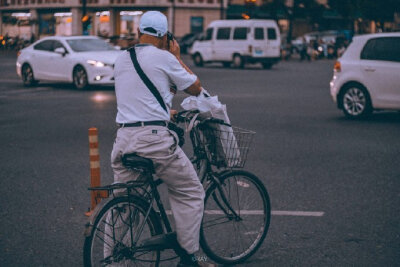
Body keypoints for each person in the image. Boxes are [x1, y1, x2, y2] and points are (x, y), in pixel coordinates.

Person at [111, 11, 209, 267]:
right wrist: (176, 56)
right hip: (153, 141)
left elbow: (140, 96)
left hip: (123, 139)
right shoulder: (165, 57)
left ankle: (109, 260)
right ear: (165, 36)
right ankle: (191, 257)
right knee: (190, 191)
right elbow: (196, 87)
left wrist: (166, 112)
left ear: (138, 32)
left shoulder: (121, 59)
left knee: (124, 207)